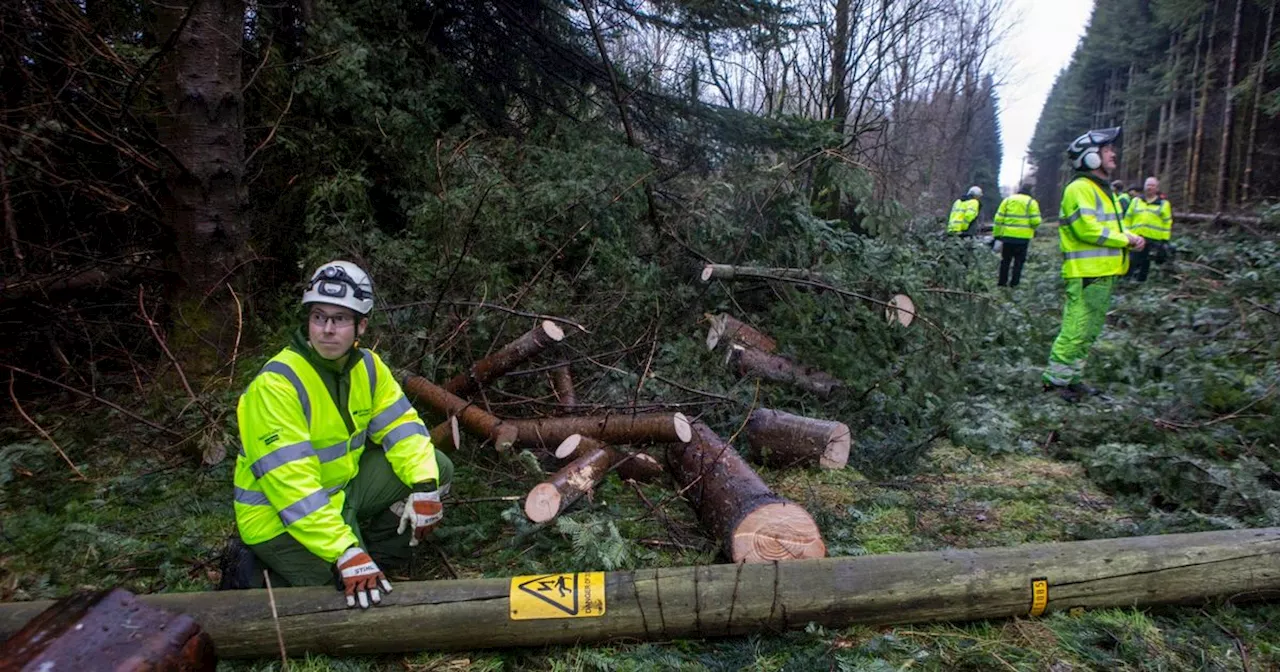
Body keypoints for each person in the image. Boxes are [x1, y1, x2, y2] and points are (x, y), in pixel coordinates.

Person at [224, 260, 454, 609]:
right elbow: (292, 488)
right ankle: (258, 572)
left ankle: (370, 560)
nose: (327, 329)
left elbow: (404, 430)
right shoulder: (276, 385)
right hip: (279, 518)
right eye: (319, 317)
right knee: (342, 597)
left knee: (437, 467)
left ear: (361, 324)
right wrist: (342, 549)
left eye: (340, 319)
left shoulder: (369, 369)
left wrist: (425, 487)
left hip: (339, 493)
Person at [1042, 128, 1146, 401]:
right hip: (1087, 273)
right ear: (1090, 157)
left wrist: (1130, 238)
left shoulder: (1102, 190)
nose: (1114, 153)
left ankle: (1072, 378)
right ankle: (1055, 383)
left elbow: (1106, 227)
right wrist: (1125, 239)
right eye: (1107, 149)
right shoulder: (1079, 188)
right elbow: (1087, 230)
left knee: (1088, 332)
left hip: (1103, 272)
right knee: (1076, 328)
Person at [1123, 176, 1174, 282]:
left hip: (1154, 239)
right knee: (1131, 261)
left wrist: (1165, 240)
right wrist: (1126, 233)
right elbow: (1128, 218)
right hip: (1135, 237)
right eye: (1147, 185)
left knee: (1146, 264)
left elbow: (1167, 223)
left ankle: (1141, 283)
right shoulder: (1136, 201)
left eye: (1152, 185)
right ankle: (1126, 282)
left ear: (1157, 188)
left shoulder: (1164, 204)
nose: (1149, 187)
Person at [992, 184, 1042, 287]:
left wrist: (997, 235)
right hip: (1023, 238)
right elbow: (1036, 221)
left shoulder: (1008, 200)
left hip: (1007, 237)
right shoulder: (1031, 202)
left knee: (1005, 260)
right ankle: (1014, 283)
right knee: (1019, 262)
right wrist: (1032, 227)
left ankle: (1002, 283)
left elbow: (998, 219)